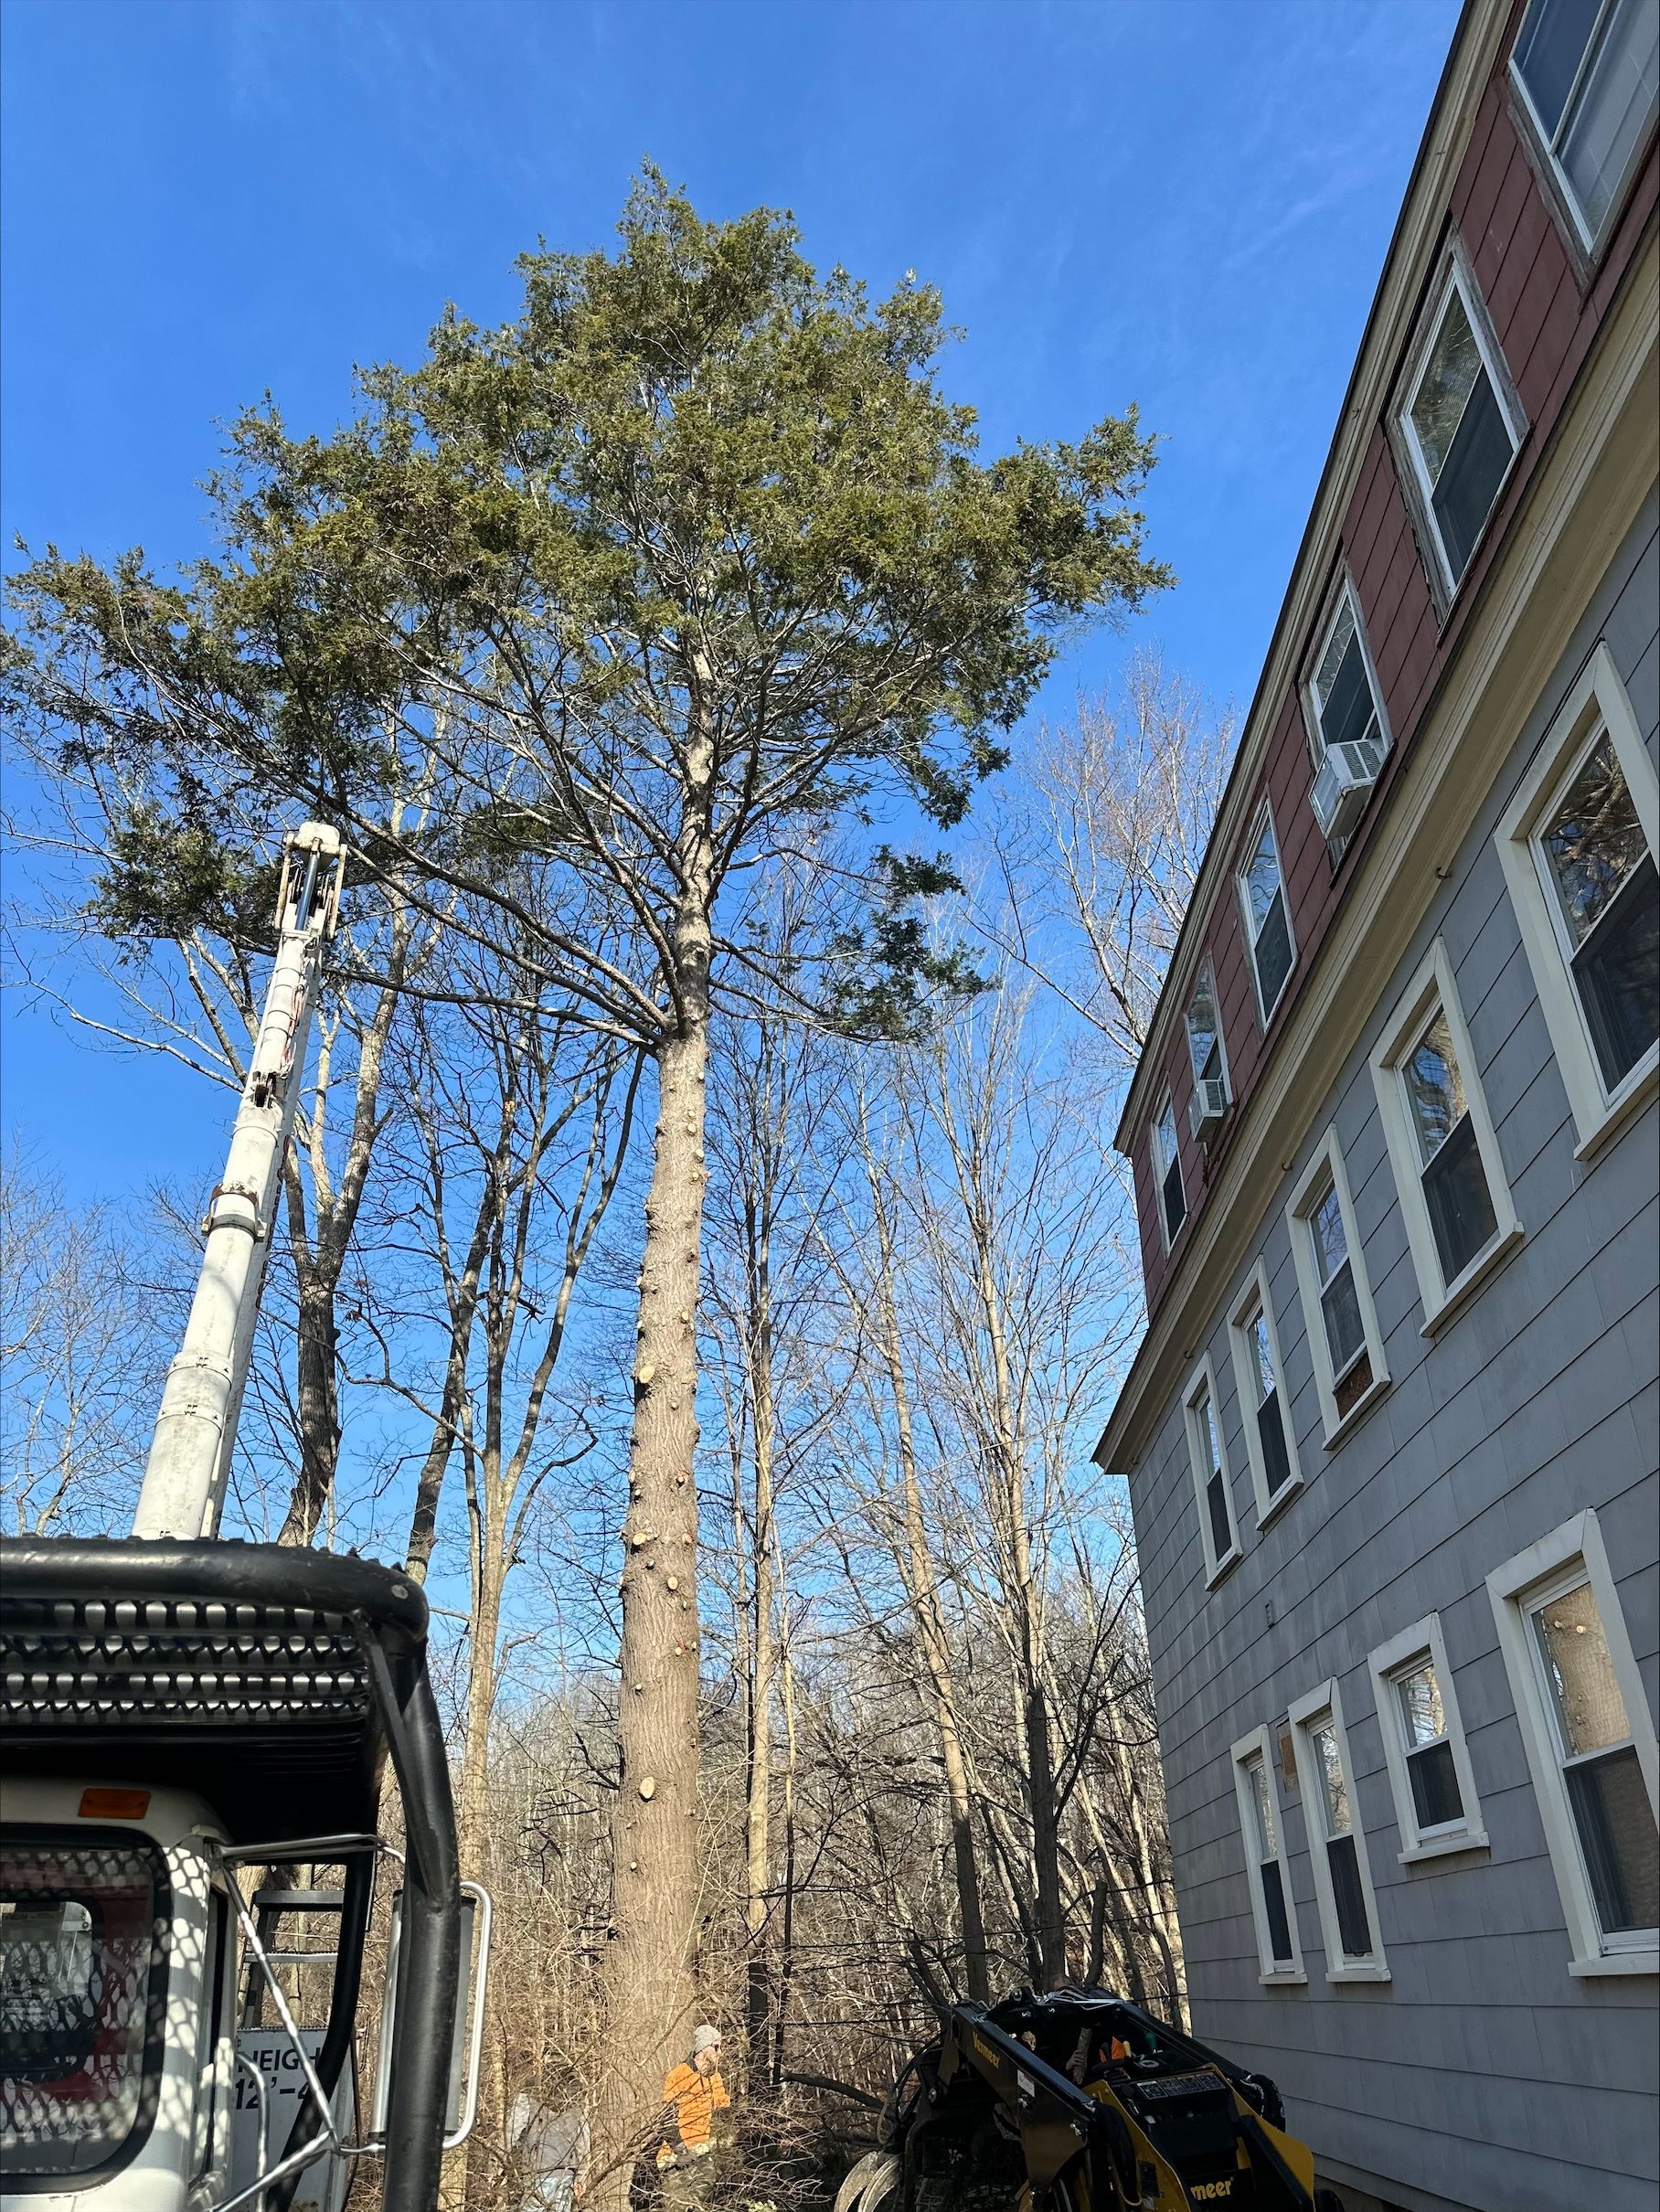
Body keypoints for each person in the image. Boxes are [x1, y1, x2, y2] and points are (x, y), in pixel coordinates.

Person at [656, 2025, 730, 2204]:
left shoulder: (715, 2078)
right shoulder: (679, 2074)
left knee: (703, 2204)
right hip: (676, 2158)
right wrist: (681, 2150)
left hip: (703, 2154)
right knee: (677, 2206)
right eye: (716, 2047)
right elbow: (666, 2118)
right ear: (703, 2048)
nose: (720, 2053)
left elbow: (724, 2112)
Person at [507, 2079, 591, 2212]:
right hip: (566, 2175)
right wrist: (581, 2176)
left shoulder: (529, 2092)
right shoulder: (577, 2095)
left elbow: (512, 2131)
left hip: (538, 2174)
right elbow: (582, 2138)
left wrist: (495, 2165)